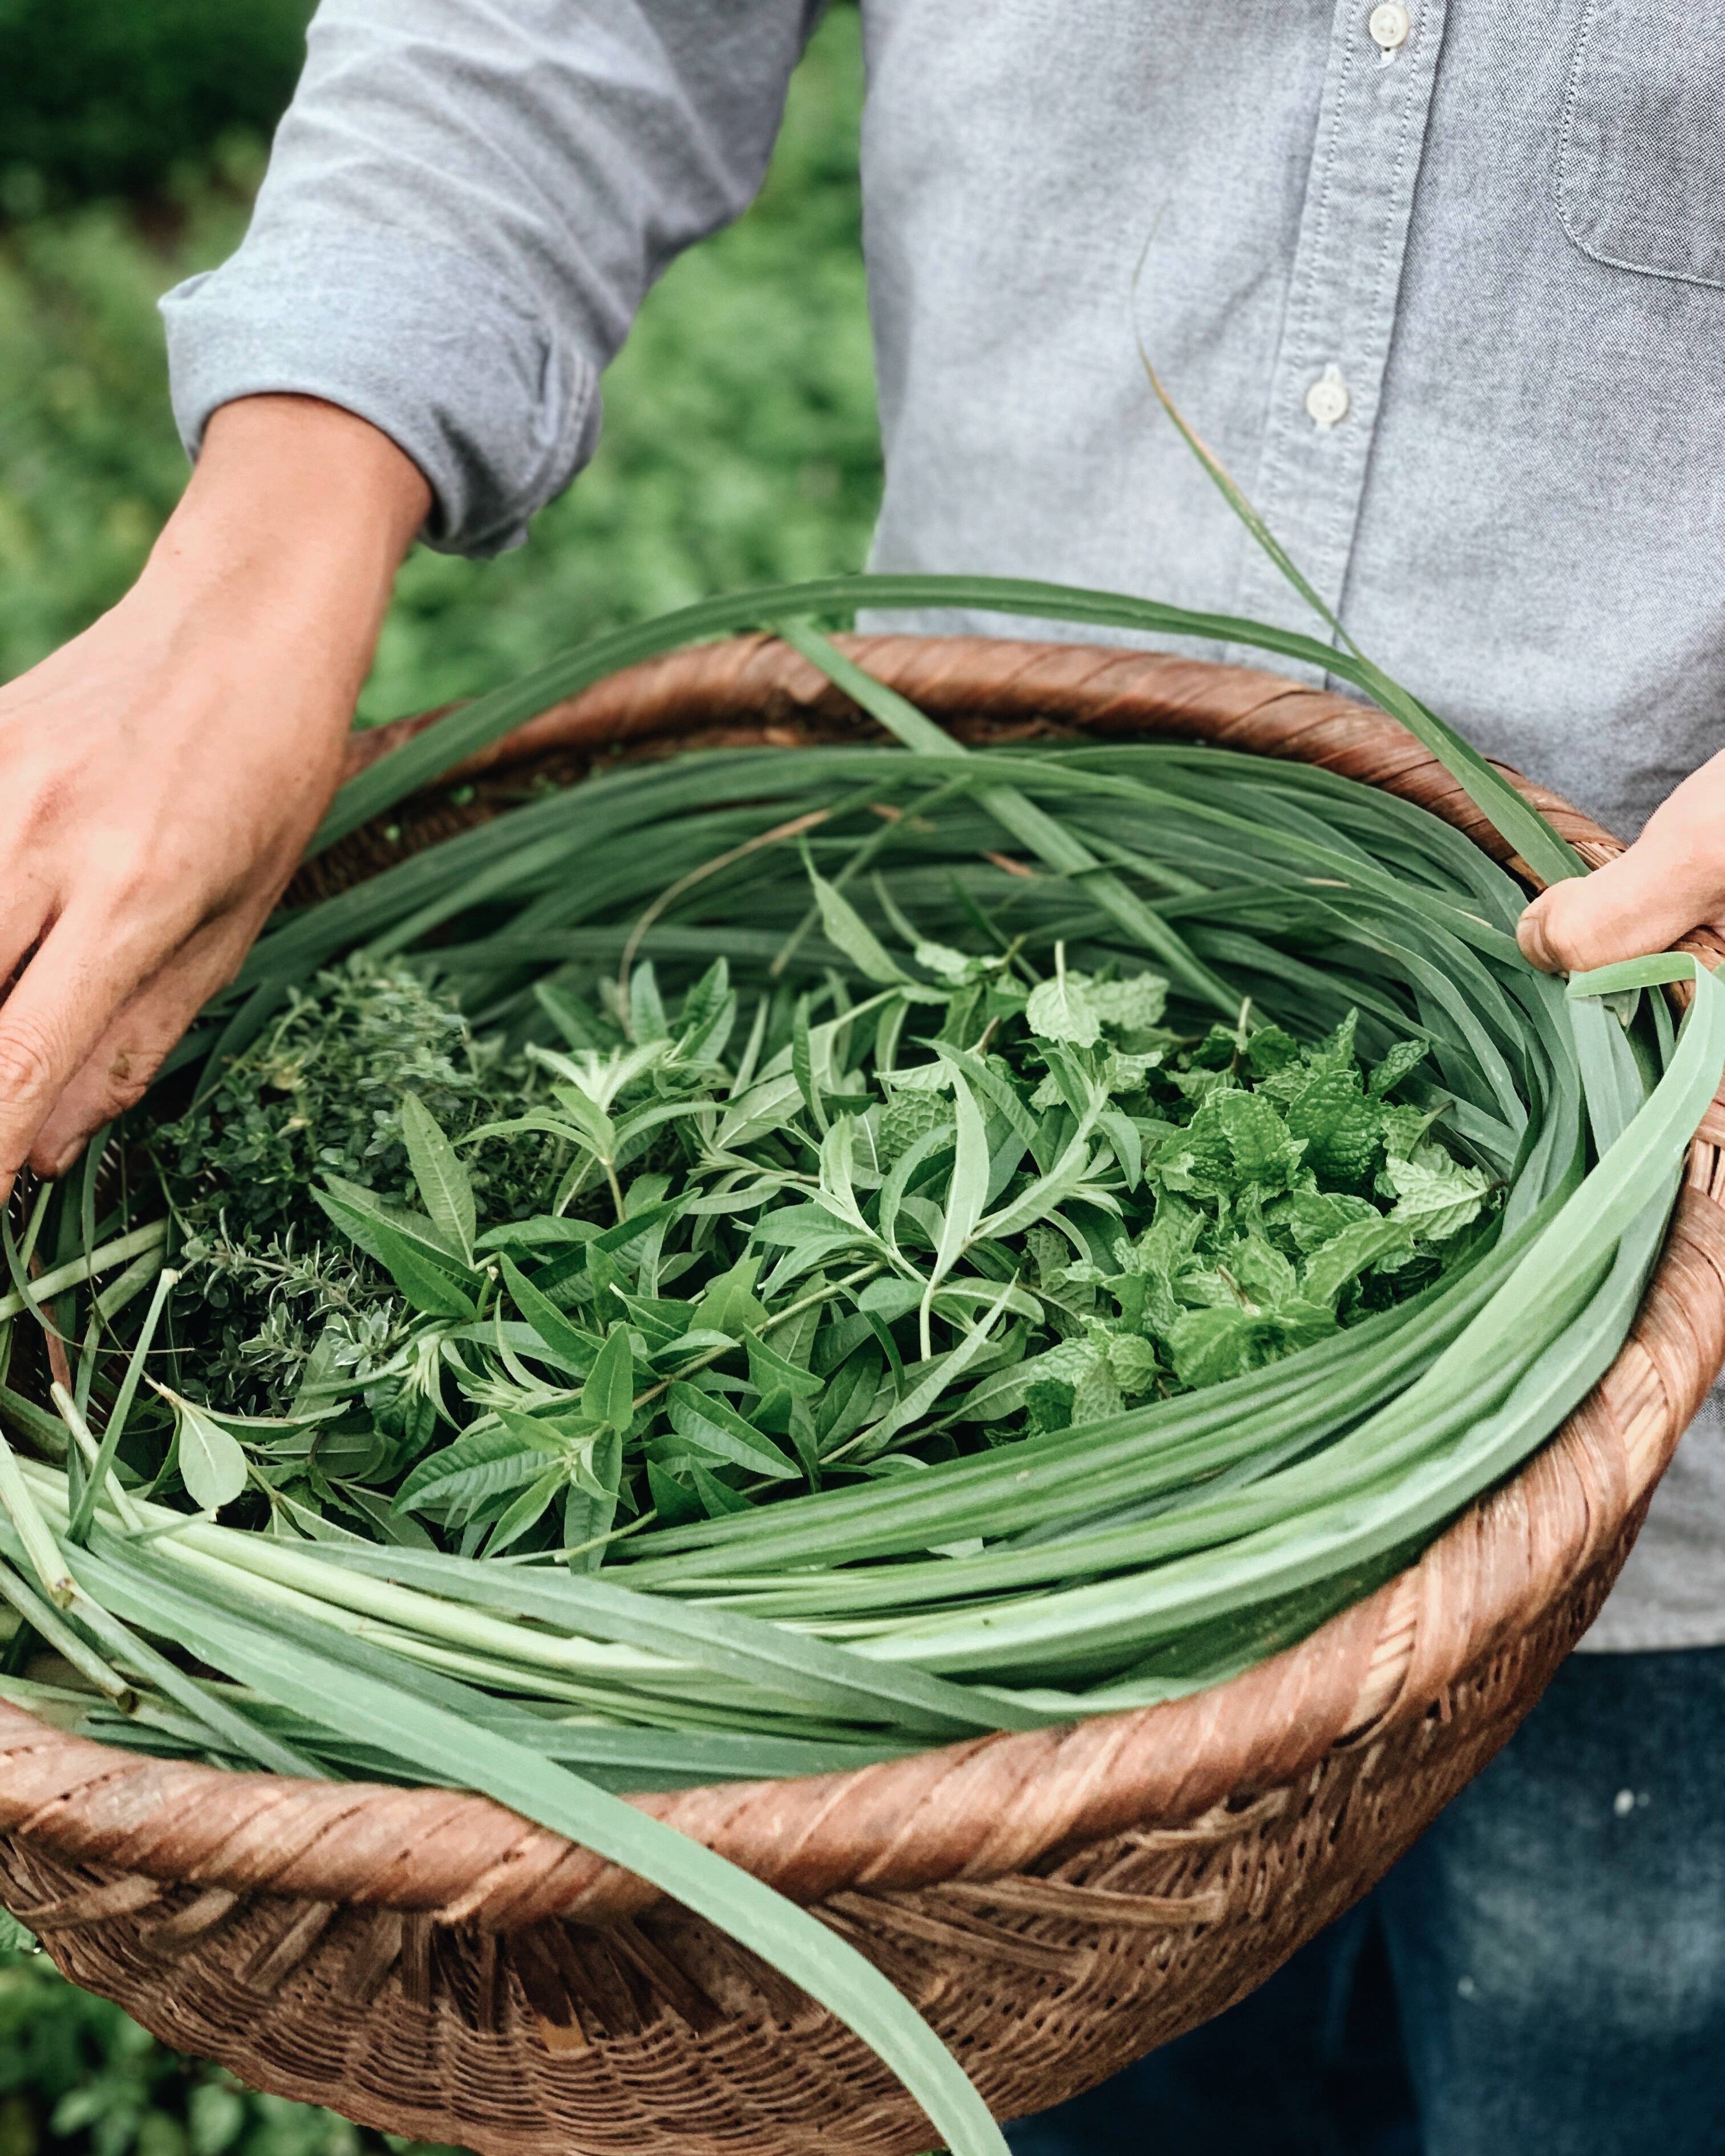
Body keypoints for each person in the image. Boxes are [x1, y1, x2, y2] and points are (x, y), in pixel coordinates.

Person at [3, 5, 1724, 2148]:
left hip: (1680, 1372)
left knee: (1623, 2049)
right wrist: (268, 535)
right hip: (964, 965)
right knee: (1079, 2088)